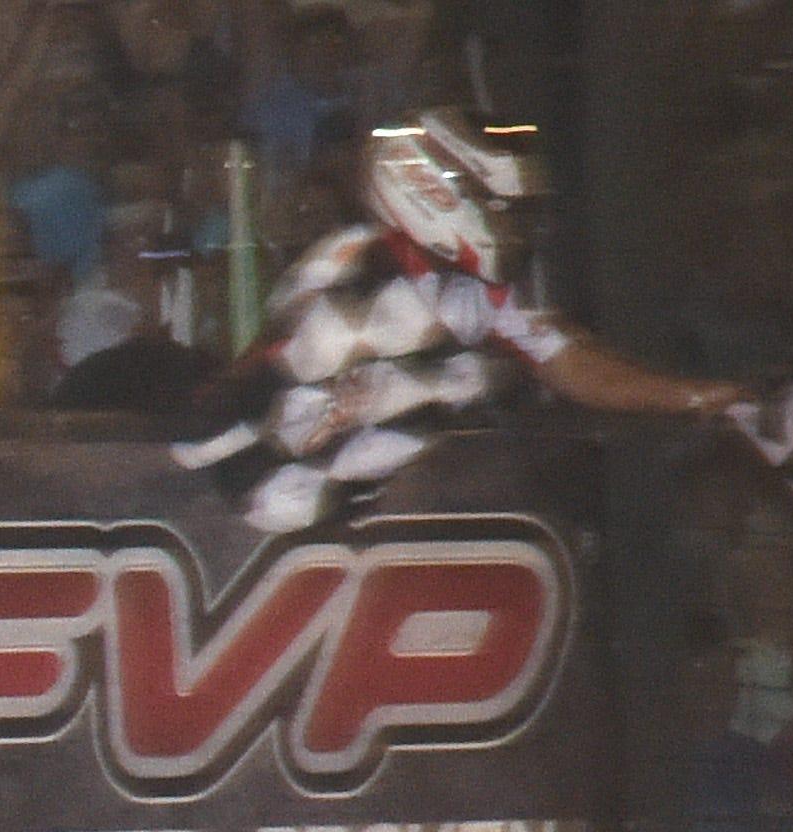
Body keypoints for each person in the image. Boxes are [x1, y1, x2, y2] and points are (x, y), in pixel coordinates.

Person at [178, 115, 743, 541]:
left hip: (358, 531)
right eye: (499, 208)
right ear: (440, 196)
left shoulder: (470, 292)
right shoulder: (350, 263)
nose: (511, 226)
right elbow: (246, 395)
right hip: (262, 524)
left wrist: (686, 395)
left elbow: (572, 364)